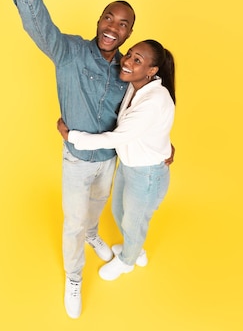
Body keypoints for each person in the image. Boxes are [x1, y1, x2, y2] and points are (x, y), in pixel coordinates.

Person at [0, 0, 154, 319]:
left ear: (128, 33)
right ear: (99, 19)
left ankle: (93, 234)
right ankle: (74, 275)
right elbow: (40, 27)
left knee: (97, 207)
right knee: (72, 222)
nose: (112, 26)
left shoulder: (129, 69)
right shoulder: (69, 51)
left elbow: (149, 106)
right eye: (108, 17)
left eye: (122, 24)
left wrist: (162, 143)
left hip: (108, 160)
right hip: (76, 160)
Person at [57, 39, 176, 283]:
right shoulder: (137, 84)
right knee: (119, 211)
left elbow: (117, 136)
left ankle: (127, 261)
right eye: (130, 54)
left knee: (134, 221)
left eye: (137, 60)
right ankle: (135, 249)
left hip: (147, 173)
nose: (127, 61)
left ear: (152, 70)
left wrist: (72, 137)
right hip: (129, 166)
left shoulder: (154, 99)